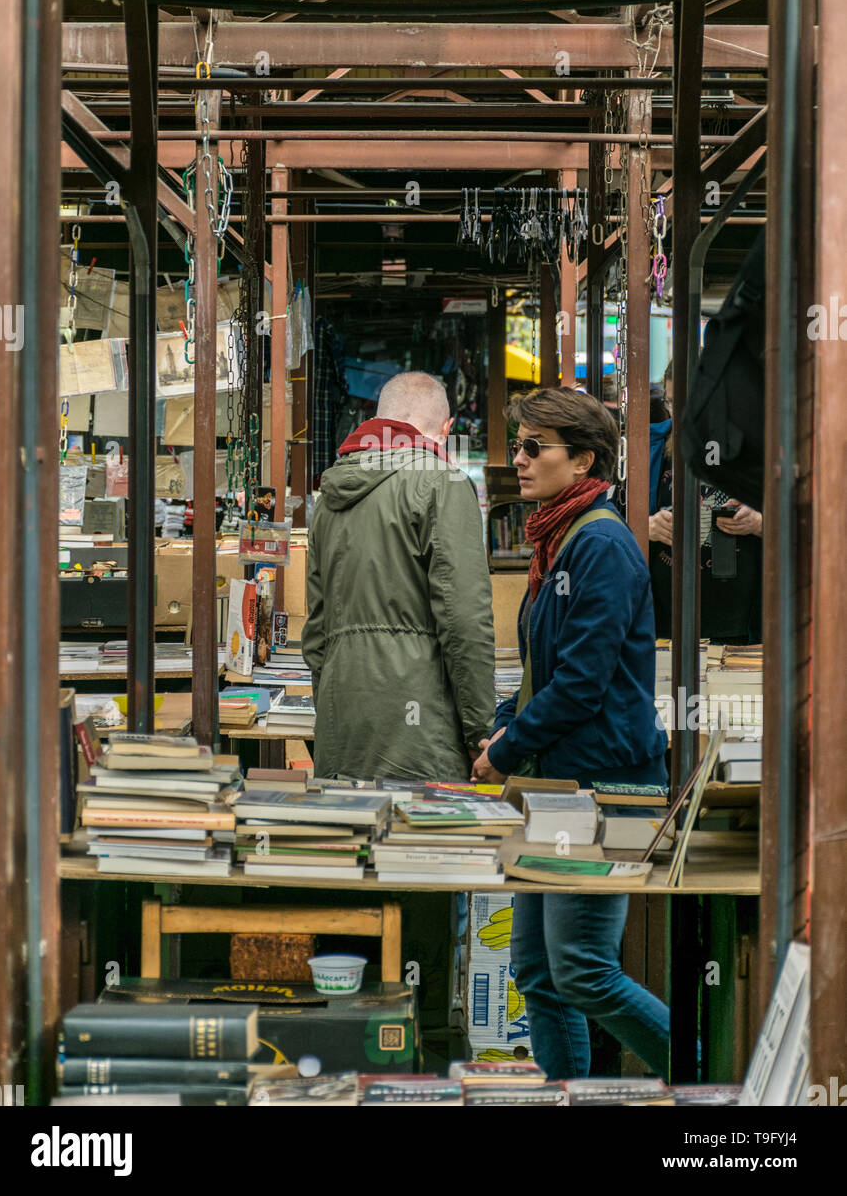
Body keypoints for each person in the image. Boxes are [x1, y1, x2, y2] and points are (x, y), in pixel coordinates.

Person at [471, 387, 670, 1080]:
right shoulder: (554, 540)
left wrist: (509, 746)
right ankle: (569, 1097)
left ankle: (718, 1077)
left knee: (583, 969)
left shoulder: (602, 544)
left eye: (534, 447)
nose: (518, 460)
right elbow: (539, 667)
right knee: (539, 970)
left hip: (604, 786)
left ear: (583, 459)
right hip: (559, 784)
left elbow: (582, 683)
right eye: (519, 445)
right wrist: (504, 727)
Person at [302, 371, 495, 781]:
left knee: (351, 842)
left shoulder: (328, 498)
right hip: (422, 729)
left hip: (343, 723)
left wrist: (333, 707)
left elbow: (316, 631)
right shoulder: (444, 482)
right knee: (420, 843)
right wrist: (481, 733)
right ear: (445, 429)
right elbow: (465, 623)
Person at [649, 361, 763, 643]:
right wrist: (646, 525)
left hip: (745, 617)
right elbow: (614, 522)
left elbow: (808, 524)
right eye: (673, 402)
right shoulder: (650, 445)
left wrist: (762, 522)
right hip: (665, 615)